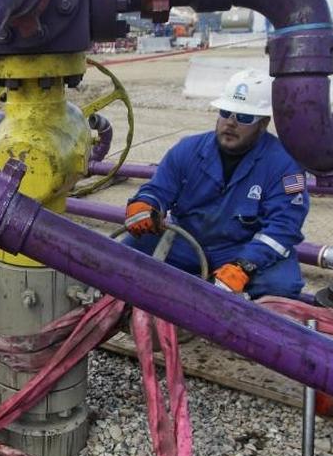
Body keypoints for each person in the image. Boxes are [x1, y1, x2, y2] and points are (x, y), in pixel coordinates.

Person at [123, 68, 309, 299]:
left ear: (263, 124)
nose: (231, 123)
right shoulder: (188, 150)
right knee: (124, 254)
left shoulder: (283, 165)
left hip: (242, 248)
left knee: (281, 287)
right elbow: (158, 189)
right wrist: (145, 204)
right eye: (226, 112)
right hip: (187, 244)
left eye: (243, 117)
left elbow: (283, 227)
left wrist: (245, 265)